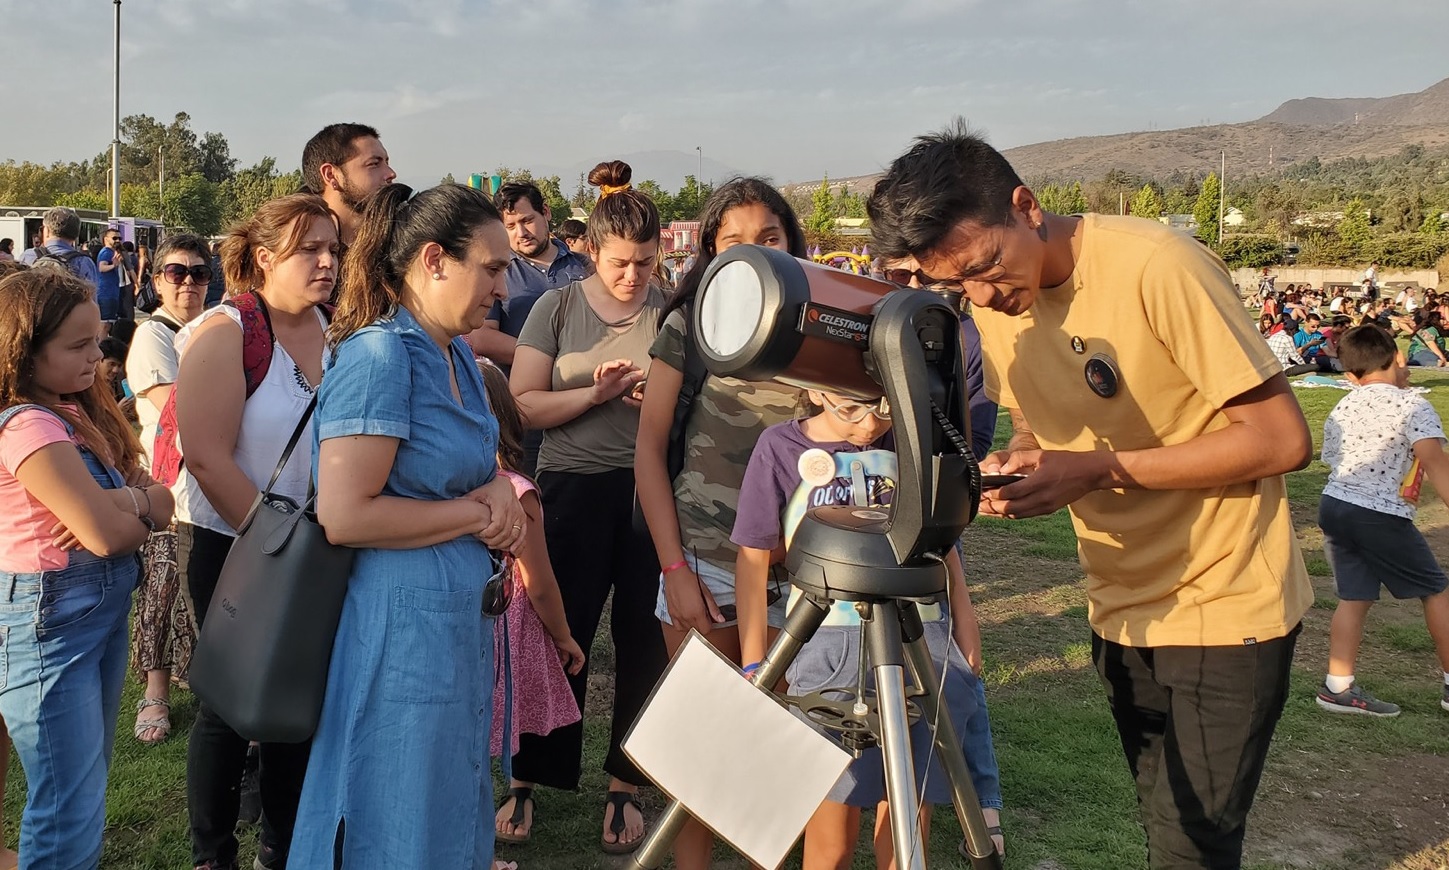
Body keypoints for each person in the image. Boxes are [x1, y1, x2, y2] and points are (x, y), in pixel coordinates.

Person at [867, 123, 1313, 870]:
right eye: (954, 287)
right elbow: (1058, 439)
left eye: (984, 267)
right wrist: (1026, 466)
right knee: (1163, 826)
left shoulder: (1156, 266)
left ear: (1026, 206)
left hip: (1224, 601)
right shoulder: (998, 308)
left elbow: (1279, 439)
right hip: (1118, 603)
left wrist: (1098, 470)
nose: (979, 297)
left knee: (1190, 844)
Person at [289, 182, 526, 869]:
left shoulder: (453, 354)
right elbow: (344, 513)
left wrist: (495, 488)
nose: (501, 286)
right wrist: (479, 510)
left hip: (448, 629)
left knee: (440, 803)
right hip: (398, 637)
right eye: (490, 266)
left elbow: (457, 468)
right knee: (391, 808)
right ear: (433, 260)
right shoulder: (380, 357)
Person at [733, 389, 1005, 867]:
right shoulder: (779, 448)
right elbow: (753, 557)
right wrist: (756, 661)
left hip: (922, 639)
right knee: (832, 826)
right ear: (817, 390)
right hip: (827, 648)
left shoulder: (911, 443)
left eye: (882, 407)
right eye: (850, 408)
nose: (867, 425)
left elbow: (945, 543)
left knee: (907, 817)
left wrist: (966, 623)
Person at [632, 177, 809, 869]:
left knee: (788, 746)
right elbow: (647, 451)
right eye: (733, 239)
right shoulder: (691, 326)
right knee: (703, 751)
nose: (753, 251)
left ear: (792, 240)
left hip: (808, 575)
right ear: (710, 250)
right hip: (704, 560)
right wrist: (673, 570)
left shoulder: (826, 328)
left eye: (769, 236)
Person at [499, 161, 668, 856]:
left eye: (647, 263)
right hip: (569, 486)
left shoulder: (673, 307)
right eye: (622, 263)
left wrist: (655, 396)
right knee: (552, 632)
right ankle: (528, 777)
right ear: (591, 252)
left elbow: (698, 403)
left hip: (651, 489)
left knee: (643, 641)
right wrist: (594, 396)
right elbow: (524, 400)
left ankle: (625, 784)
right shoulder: (557, 307)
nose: (634, 276)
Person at [173, 194, 339, 870]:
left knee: (297, 696)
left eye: (333, 247)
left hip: (315, 548)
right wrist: (277, 546)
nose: (327, 261)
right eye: (310, 249)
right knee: (229, 705)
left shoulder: (337, 329)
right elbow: (207, 455)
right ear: (265, 257)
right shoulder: (225, 331)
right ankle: (213, 852)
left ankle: (283, 839)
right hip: (234, 544)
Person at [0, 268, 174, 870]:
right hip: (48, 625)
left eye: (95, 339)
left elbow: (161, 498)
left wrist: (129, 503)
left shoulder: (69, 414)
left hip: (87, 620)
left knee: (80, 787)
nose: (97, 355)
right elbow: (103, 536)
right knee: (67, 804)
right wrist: (134, 506)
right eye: (76, 345)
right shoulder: (27, 426)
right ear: (25, 350)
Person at [1317, 324, 1449, 717]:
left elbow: (1332, 456)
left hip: (1334, 504)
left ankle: (1337, 688)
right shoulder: (1414, 406)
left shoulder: (1345, 404)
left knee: (1354, 596)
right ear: (1399, 358)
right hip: (1378, 513)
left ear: (1349, 374)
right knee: (1437, 591)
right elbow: (1435, 464)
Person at [475, 360, 586, 764]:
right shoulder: (518, 492)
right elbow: (537, 581)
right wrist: (562, 635)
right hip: (499, 624)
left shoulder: (445, 486)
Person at [124, 233, 210, 746]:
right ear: (157, 281)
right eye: (177, 273)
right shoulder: (154, 336)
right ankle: (154, 693)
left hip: (206, 481)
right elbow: (174, 402)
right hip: (168, 483)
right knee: (162, 588)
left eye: (199, 273)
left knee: (197, 587)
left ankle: (194, 678)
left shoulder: (211, 326)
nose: (188, 283)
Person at [466, 181, 592, 373]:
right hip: (520, 394)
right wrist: (549, 357)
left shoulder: (584, 266)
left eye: (527, 221)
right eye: (510, 226)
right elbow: (483, 338)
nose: (522, 233)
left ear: (546, 212)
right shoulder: (496, 271)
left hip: (587, 386)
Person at [300, 122, 396, 246]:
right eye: (374, 164)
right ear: (330, 175)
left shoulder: (399, 244)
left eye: (386, 163)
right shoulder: (296, 251)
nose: (391, 174)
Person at [21, 208, 100, 288]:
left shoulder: (28, 256)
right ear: (76, 234)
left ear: (47, 230)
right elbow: (92, 298)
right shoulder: (84, 262)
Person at [95, 229, 129, 332]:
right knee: (105, 324)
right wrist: (114, 265)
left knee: (109, 323)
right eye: (114, 238)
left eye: (120, 238)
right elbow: (102, 267)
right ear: (106, 239)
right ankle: (102, 345)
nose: (118, 240)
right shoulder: (106, 252)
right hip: (106, 293)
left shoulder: (113, 252)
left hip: (113, 292)